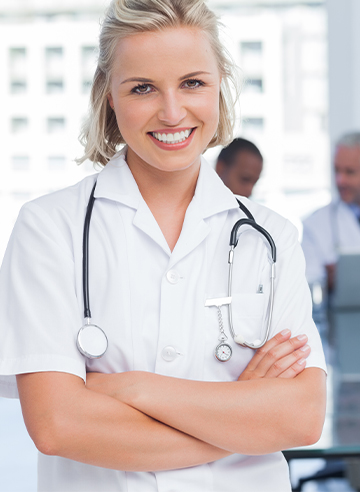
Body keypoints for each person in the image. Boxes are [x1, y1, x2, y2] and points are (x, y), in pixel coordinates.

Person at [0, 1, 326, 491]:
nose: (172, 112)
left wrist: (131, 388)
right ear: (108, 96)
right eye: (143, 88)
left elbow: (301, 418)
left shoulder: (271, 236)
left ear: (220, 86)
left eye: (193, 82)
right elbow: (57, 425)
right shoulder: (49, 228)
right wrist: (245, 419)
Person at [302, 132, 360, 291]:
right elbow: (308, 285)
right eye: (337, 171)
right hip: (341, 315)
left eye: (350, 172)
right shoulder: (315, 224)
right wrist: (330, 279)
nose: (340, 180)